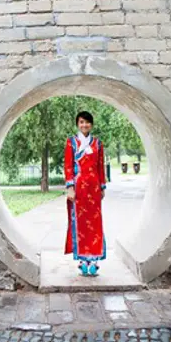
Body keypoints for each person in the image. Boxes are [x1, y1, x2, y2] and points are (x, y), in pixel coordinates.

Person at [64, 110, 107, 276]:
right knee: (81, 222)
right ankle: (82, 259)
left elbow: (100, 166)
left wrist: (102, 187)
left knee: (95, 222)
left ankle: (94, 258)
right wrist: (70, 187)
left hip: (94, 187)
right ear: (77, 124)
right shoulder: (72, 143)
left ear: (91, 124)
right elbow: (68, 166)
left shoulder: (98, 144)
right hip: (79, 187)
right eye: (81, 122)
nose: (84, 125)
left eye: (87, 122)